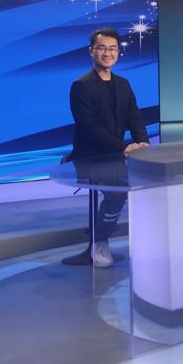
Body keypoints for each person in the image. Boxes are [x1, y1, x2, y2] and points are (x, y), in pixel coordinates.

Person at [66, 27, 149, 267]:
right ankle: (99, 241)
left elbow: (134, 116)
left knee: (126, 191)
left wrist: (142, 142)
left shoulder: (123, 84)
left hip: (116, 155)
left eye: (112, 49)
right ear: (91, 51)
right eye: (101, 48)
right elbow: (88, 127)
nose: (107, 53)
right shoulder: (81, 85)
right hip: (90, 157)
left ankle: (98, 238)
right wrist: (124, 147)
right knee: (117, 193)